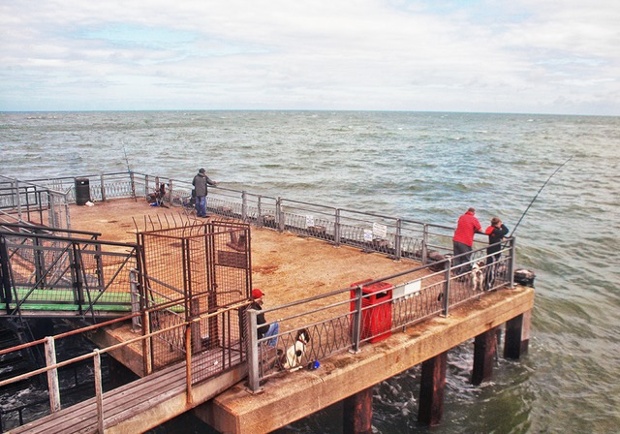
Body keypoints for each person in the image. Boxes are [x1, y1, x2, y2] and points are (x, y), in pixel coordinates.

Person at [452, 207, 482, 275]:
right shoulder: (474, 219)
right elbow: (480, 229)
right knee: (466, 258)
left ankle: (456, 274)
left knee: (457, 258)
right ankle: (461, 274)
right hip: (465, 241)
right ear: (474, 213)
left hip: (456, 239)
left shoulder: (461, 217)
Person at [484, 217, 510, 289]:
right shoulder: (496, 231)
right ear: (497, 224)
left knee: (490, 267)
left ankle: (487, 283)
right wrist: (502, 225)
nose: (500, 224)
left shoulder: (493, 230)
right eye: (499, 223)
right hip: (494, 251)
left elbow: (498, 234)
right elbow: (506, 230)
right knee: (492, 268)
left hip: (491, 250)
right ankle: (489, 285)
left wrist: (501, 237)